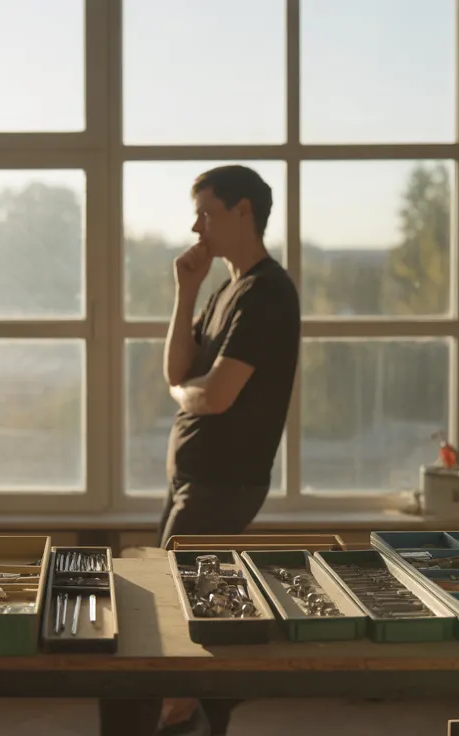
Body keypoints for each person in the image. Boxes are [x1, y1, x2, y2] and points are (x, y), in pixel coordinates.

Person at [158, 164, 300, 735]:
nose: (196, 228)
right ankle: (205, 703)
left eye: (206, 213)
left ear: (243, 212)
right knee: (189, 604)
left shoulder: (266, 294)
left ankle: (194, 706)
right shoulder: (226, 289)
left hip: (222, 482)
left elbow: (212, 396)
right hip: (195, 479)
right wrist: (186, 290)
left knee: (182, 614)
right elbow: (177, 368)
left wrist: (180, 394)